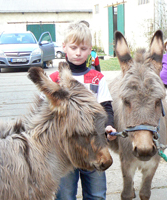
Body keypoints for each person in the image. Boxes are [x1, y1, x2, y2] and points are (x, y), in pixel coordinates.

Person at [51, 21, 116, 200]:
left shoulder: (97, 78)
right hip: (64, 151)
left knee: (96, 195)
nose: (78, 52)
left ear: (90, 50)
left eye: (83, 48)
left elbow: (106, 108)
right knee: (64, 195)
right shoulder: (54, 79)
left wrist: (109, 125)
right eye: (73, 47)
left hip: (94, 148)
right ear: (64, 47)